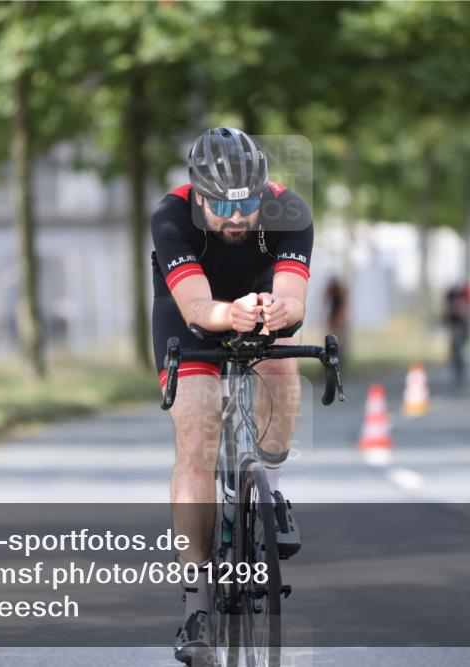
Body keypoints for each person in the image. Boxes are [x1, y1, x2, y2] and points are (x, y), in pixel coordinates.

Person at [150, 127, 313, 665]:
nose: (237, 216)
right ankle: (197, 603)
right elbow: (197, 307)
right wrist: (228, 314)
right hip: (190, 321)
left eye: (246, 202)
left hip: (261, 311)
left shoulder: (289, 209)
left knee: (282, 366)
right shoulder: (170, 217)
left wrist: (273, 313)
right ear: (198, 194)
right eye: (221, 205)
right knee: (196, 439)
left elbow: (293, 299)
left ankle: (272, 485)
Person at [442, 280, 470, 384]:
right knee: (454, 345)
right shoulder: (451, 294)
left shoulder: (466, 293)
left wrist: (467, 316)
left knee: (464, 344)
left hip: (464, 323)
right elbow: (447, 308)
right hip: (454, 323)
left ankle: (465, 360)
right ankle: (455, 361)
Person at [323, 275, 349, 351]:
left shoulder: (340, 291)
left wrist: (341, 316)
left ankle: (341, 351)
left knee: (340, 336)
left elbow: (343, 305)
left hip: (338, 315)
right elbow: (325, 303)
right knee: (332, 335)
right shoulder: (330, 291)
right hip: (333, 315)